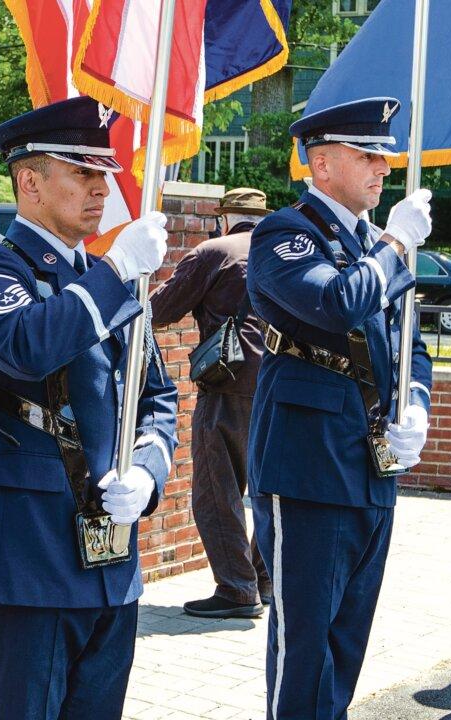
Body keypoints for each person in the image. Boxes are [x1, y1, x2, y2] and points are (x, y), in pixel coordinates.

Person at [0, 96, 177, 719]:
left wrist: (147, 471)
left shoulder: (112, 278)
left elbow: (156, 395)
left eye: (103, 174)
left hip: (111, 552)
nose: (101, 188)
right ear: (29, 181)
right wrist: (116, 270)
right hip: (27, 551)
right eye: (82, 172)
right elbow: (26, 346)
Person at [246, 97, 434, 720]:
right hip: (307, 459)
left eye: (384, 157)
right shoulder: (285, 233)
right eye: (368, 155)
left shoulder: (373, 244)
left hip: (371, 459)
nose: (383, 168)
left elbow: (410, 344)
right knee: (306, 641)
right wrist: (396, 244)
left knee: (348, 636)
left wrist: (415, 402)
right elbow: (335, 304)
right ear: (322, 164)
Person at [150, 187, 273, 619]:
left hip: (228, 380)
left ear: (224, 218)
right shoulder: (282, 250)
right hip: (281, 383)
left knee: (216, 490)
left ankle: (237, 589)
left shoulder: (214, 250)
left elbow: (161, 309)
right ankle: (264, 579)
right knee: (269, 491)